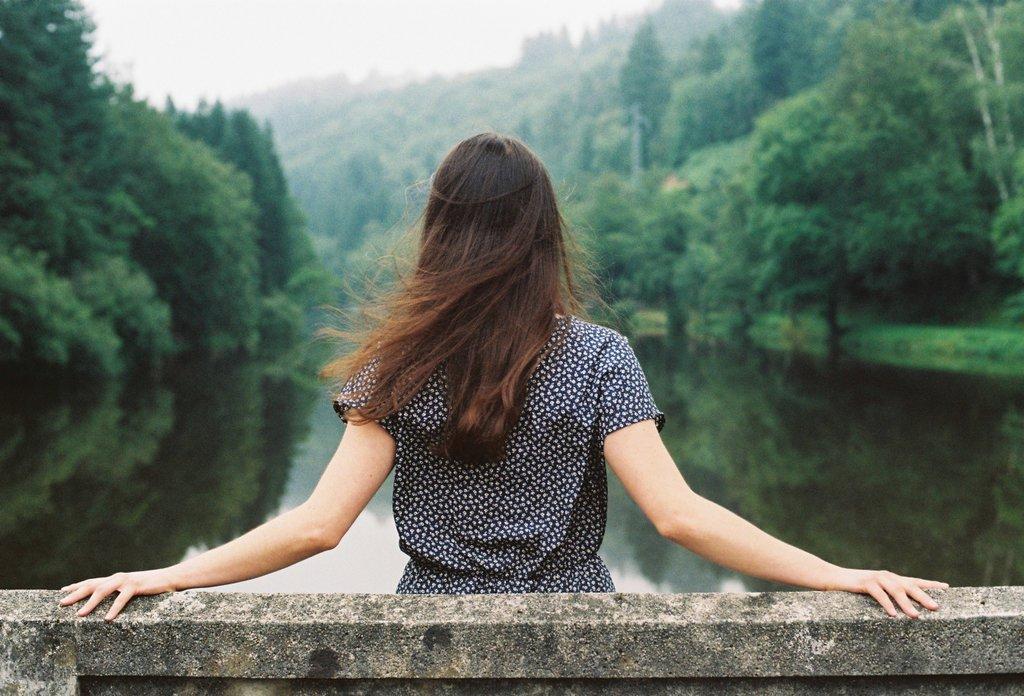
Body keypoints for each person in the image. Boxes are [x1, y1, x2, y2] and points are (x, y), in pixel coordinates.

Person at [58, 133, 947, 621]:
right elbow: (678, 516)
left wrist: (166, 576)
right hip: (579, 639)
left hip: (431, 642)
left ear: (438, 229)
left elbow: (319, 528)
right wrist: (836, 573)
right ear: (544, 232)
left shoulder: (394, 367)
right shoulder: (601, 356)